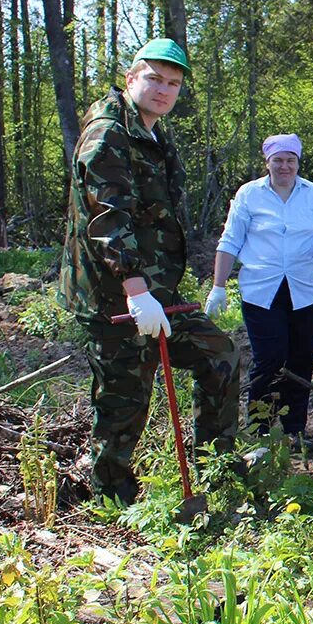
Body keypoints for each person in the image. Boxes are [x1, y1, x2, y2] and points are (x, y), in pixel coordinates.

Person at [60, 38, 241, 504]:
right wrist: (136, 291)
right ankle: (109, 497)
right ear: (131, 78)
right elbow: (108, 218)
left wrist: (155, 290)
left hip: (157, 294)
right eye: (155, 79)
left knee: (220, 354)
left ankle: (215, 470)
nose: (163, 90)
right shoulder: (107, 133)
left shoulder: (154, 133)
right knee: (126, 400)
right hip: (114, 298)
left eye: (173, 83)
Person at [205, 134, 313, 445]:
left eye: (291, 160)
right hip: (261, 291)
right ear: (267, 163)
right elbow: (230, 242)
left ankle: (295, 430)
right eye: (278, 160)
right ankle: (259, 429)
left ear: (298, 163)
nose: (284, 166)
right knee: (269, 358)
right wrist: (218, 287)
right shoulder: (249, 195)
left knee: (302, 358)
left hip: (305, 290)